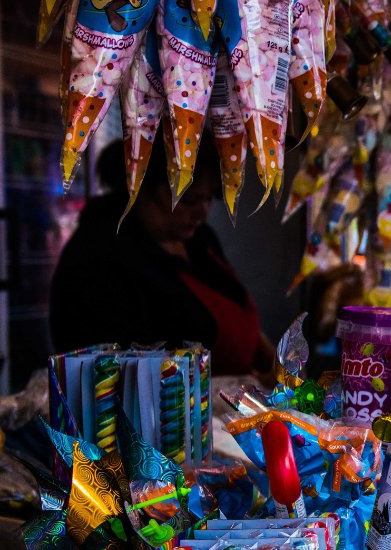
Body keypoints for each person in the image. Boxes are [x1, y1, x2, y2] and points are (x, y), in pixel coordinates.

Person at [50, 137, 275, 376]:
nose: (202, 212)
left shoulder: (199, 239)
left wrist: (276, 367)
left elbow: (237, 311)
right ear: (141, 188)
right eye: (189, 200)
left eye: (208, 198)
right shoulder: (98, 255)